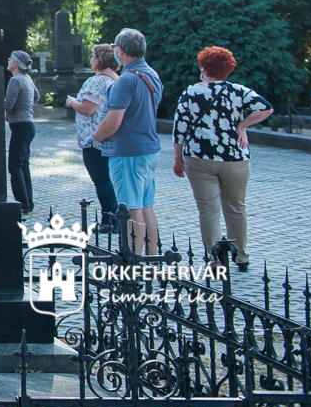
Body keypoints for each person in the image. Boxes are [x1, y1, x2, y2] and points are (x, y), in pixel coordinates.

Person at [172, 46, 271, 271]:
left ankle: (215, 261)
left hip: (199, 158)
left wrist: (178, 158)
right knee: (236, 208)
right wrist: (242, 125)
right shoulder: (238, 91)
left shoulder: (191, 93)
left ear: (203, 68)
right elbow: (265, 108)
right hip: (235, 158)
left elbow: (180, 129)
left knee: (208, 210)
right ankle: (242, 257)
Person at [92, 28, 164, 256]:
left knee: (131, 208)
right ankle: (153, 258)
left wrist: (96, 137)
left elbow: (113, 123)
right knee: (146, 206)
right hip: (148, 149)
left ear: (120, 51)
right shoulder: (152, 74)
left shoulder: (125, 82)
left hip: (128, 151)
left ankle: (133, 259)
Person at [64, 44, 120, 230]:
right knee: (110, 179)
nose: (91, 59)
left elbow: (88, 109)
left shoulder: (96, 81)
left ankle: (109, 220)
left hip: (94, 139)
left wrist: (72, 102)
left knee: (102, 180)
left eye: (93, 55)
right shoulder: (117, 80)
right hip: (111, 137)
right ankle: (117, 216)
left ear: (99, 59)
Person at [4, 49, 38, 214]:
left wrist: (8, 114)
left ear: (15, 64)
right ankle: (27, 203)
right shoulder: (27, 79)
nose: (8, 61)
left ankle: (22, 203)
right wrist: (27, 108)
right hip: (28, 124)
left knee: (15, 166)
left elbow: (8, 105)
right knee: (23, 165)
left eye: (10, 59)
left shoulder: (15, 80)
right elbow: (36, 96)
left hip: (20, 125)